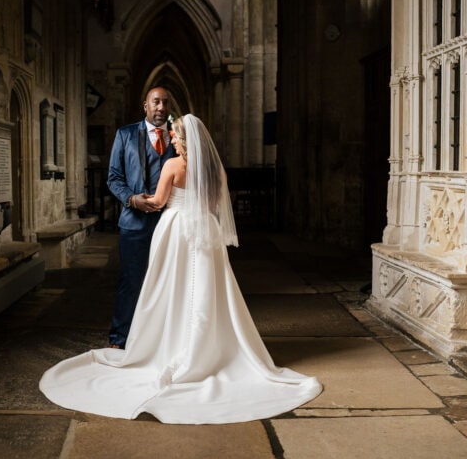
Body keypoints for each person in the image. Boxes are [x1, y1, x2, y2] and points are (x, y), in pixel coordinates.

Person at [39, 114, 322, 424]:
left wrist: (139, 199)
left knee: (170, 287)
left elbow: (160, 201)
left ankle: (171, 344)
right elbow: (215, 204)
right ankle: (208, 349)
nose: (171, 139)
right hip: (205, 229)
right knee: (207, 287)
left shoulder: (172, 166)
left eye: (175, 135)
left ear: (185, 140)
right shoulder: (215, 170)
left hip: (176, 230)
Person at [105, 86, 177, 349]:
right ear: (144, 106)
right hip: (134, 223)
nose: (161, 107)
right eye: (156, 102)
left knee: (168, 280)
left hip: (170, 222)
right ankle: (120, 338)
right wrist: (132, 199)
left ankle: (162, 340)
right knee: (131, 280)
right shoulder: (125, 135)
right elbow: (114, 177)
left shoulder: (177, 138)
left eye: (166, 103)